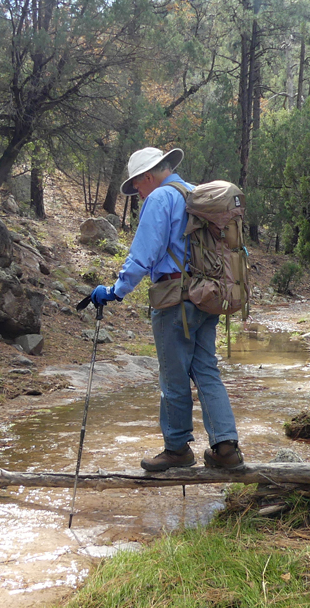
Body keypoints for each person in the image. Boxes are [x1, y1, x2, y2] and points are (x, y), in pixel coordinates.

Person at [88, 147, 244, 471]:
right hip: (207, 297)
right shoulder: (194, 194)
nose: (137, 193)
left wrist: (115, 291)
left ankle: (177, 449)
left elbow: (143, 255)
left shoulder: (159, 199)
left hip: (174, 300)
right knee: (206, 371)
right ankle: (226, 448)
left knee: (173, 376)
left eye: (137, 185)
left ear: (149, 175)